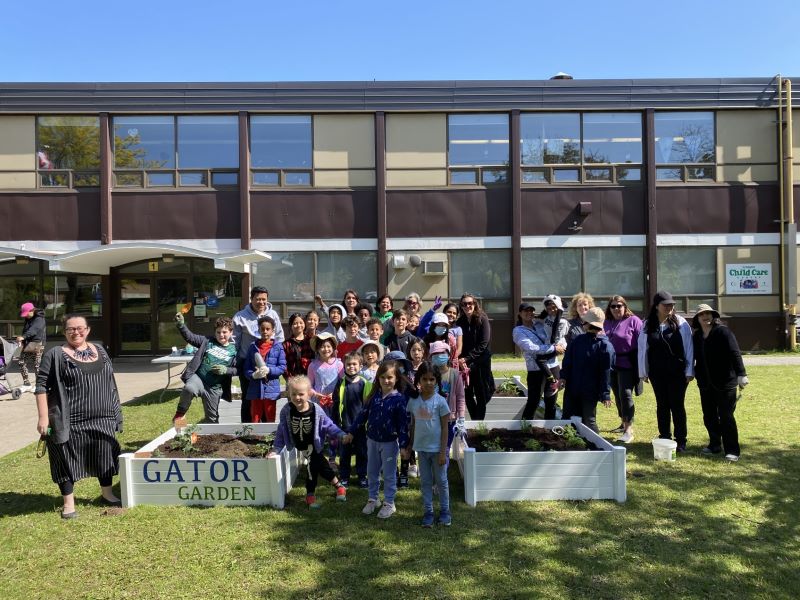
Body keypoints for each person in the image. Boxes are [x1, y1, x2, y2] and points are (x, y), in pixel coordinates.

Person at [35, 315, 123, 519]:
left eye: (80, 328)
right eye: (71, 329)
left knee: (104, 453)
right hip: (69, 420)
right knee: (65, 459)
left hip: (103, 417)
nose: (76, 332)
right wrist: (43, 418)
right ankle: (68, 503)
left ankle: (107, 493)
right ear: (64, 332)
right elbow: (41, 387)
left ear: (88, 330)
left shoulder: (100, 350)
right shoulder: (55, 354)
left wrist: (115, 410)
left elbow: (110, 381)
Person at [271, 375, 352, 509]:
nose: (297, 397)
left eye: (301, 394)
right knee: (323, 466)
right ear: (289, 394)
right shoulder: (287, 410)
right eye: (294, 394)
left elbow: (328, 424)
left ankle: (310, 495)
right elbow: (282, 430)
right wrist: (276, 449)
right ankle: (339, 486)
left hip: (314, 445)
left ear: (309, 394)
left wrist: (340, 434)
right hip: (301, 445)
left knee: (313, 468)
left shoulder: (316, 410)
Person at [349, 360, 409, 519]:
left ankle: (389, 503)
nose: (386, 380)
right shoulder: (374, 397)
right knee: (372, 471)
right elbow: (362, 415)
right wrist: (352, 432)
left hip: (390, 443)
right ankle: (373, 499)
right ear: (378, 379)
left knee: (389, 474)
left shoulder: (399, 399)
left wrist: (403, 446)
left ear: (396, 378)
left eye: (390, 377)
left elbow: (403, 425)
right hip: (372, 441)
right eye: (382, 377)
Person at [638, 291, 694, 453]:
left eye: (671, 305)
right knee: (662, 405)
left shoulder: (681, 322)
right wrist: (643, 372)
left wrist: (689, 371)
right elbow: (643, 349)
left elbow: (689, 348)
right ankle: (664, 436)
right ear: (657, 306)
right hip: (657, 373)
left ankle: (681, 440)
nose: (669, 307)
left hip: (678, 372)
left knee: (677, 405)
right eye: (666, 304)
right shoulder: (648, 324)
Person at [691, 304, 748, 461]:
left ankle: (732, 450)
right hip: (705, 384)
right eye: (702, 314)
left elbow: (735, 353)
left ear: (713, 316)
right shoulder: (696, 336)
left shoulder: (723, 332)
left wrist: (741, 374)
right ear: (697, 319)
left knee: (726, 416)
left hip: (725, 383)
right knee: (709, 416)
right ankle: (714, 445)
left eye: (709, 313)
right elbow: (693, 357)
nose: (706, 316)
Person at [405, 361, 452, 527]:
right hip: (421, 450)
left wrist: (442, 452)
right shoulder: (414, 402)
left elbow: (445, 428)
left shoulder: (441, 402)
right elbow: (413, 425)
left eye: (432, 379)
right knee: (425, 482)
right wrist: (410, 446)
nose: (429, 383)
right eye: (425, 379)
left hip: (437, 451)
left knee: (441, 481)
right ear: (419, 380)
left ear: (436, 381)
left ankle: (445, 512)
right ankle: (428, 512)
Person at [173, 314, 238, 425]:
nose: (221, 335)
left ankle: (202, 434)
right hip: (198, 378)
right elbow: (190, 337)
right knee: (189, 388)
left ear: (231, 332)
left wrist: (226, 370)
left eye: (224, 332)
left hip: (214, 387)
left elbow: (238, 369)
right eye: (218, 332)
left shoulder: (235, 350)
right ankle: (180, 414)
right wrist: (181, 325)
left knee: (212, 421)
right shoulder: (207, 341)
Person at [559, 307, 615, 433]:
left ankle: (596, 447)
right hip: (573, 388)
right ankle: (570, 445)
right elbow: (567, 361)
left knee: (588, 420)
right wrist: (563, 377)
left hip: (590, 391)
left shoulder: (605, 346)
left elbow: (606, 372)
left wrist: (605, 393)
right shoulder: (577, 341)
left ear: (587, 324)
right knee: (567, 418)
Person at [233, 287, 284, 422]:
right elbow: (234, 341)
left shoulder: (273, 315)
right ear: (251, 299)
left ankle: (265, 429)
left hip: (270, 363)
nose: (261, 302)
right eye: (258, 299)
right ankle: (247, 430)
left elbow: (279, 337)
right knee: (249, 398)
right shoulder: (240, 316)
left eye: (264, 299)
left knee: (267, 399)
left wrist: (277, 357)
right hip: (248, 363)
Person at [603, 295, 643, 443]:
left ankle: (628, 430)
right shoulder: (606, 322)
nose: (616, 309)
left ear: (625, 307)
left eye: (619, 305)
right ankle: (623, 422)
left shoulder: (634, 321)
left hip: (628, 363)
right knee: (618, 395)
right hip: (611, 364)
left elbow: (642, 343)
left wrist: (643, 366)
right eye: (613, 306)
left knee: (625, 394)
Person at [512, 302, 561, 420]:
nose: (529, 313)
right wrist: (553, 348)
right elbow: (531, 348)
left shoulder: (540, 324)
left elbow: (555, 335)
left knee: (551, 402)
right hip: (536, 370)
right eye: (526, 311)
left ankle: (549, 430)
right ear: (520, 313)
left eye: (531, 310)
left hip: (553, 366)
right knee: (533, 401)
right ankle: (524, 429)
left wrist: (560, 345)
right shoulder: (518, 331)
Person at [332, 352, 372, 487]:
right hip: (345, 425)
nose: (351, 367)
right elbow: (336, 404)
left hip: (361, 426)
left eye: (354, 364)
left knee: (362, 452)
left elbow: (368, 406)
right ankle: (344, 476)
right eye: (348, 364)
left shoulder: (365, 384)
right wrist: (335, 423)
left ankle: (362, 476)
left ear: (360, 366)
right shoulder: (340, 383)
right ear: (344, 365)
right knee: (344, 454)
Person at [457, 293, 495, 420]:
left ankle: (478, 422)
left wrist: (468, 358)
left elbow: (484, 343)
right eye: (464, 304)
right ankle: (475, 421)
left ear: (474, 304)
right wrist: (461, 359)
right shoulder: (460, 322)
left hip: (481, 361)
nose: (467, 306)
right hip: (465, 364)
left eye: (470, 303)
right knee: (467, 394)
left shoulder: (482, 318)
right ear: (461, 306)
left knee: (482, 394)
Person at [243, 316, 286, 423]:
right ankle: (254, 438)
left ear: (273, 331)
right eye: (262, 329)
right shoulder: (253, 347)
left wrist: (269, 370)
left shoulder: (278, 347)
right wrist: (253, 375)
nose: (265, 331)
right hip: (255, 389)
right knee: (255, 417)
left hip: (271, 389)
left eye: (268, 329)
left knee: (270, 417)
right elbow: (247, 368)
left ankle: (270, 438)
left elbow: (282, 367)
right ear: (258, 329)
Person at [428, 340, 465, 464]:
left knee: (445, 448)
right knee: (433, 448)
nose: (439, 356)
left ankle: (442, 478)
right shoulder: (428, 375)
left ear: (448, 355)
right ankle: (434, 476)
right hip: (431, 418)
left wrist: (461, 417)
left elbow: (460, 397)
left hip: (449, 418)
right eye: (435, 354)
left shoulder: (455, 374)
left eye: (442, 353)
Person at [537, 294, 569, 419]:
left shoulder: (562, 321)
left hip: (556, 346)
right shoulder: (547, 317)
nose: (551, 309)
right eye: (549, 307)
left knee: (552, 391)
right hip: (547, 348)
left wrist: (553, 347)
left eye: (554, 307)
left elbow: (555, 338)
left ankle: (549, 420)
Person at [307, 332, 343, 412]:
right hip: (318, 402)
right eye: (322, 347)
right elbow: (309, 386)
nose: (326, 349)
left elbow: (343, 384)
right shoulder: (313, 366)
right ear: (317, 349)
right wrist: (316, 394)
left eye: (328, 346)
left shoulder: (339, 364)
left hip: (335, 401)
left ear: (333, 348)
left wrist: (335, 393)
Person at [16, 301, 46, 392]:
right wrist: (22, 340)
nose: (26, 316)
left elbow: (34, 330)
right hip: (28, 344)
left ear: (32, 310)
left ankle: (39, 385)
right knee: (21, 362)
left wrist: (23, 337)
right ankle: (27, 384)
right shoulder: (28, 318)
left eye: (26, 313)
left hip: (38, 344)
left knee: (37, 365)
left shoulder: (39, 319)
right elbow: (26, 330)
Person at [283, 313, 314, 381]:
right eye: (295, 323)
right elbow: (284, 364)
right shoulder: (286, 344)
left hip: (309, 379)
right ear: (291, 325)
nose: (298, 325)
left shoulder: (311, 341)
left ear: (304, 324)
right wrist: (289, 379)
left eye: (301, 323)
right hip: (293, 380)